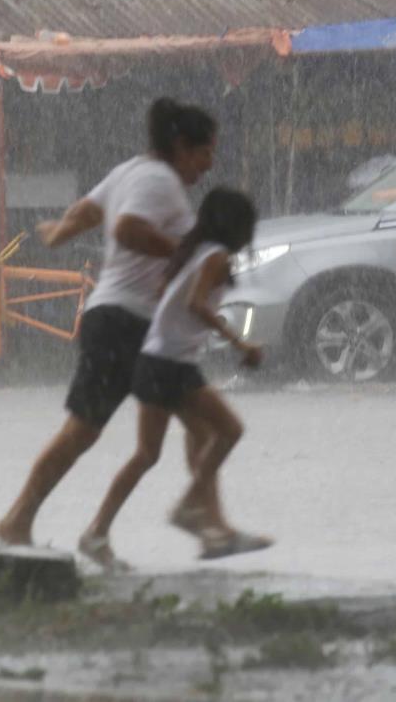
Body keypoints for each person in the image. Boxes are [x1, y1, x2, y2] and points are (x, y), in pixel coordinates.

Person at [0, 98, 229, 559]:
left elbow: (87, 209)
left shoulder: (131, 171)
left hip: (138, 328)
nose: (209, 163)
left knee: (200, 427)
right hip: (125, 324)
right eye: (205, 152)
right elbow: (125, 228)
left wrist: (61, 233)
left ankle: (202, 527)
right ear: (182, 146)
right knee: (84, 431)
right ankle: (19, 519)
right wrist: (187, 256)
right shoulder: (159, 181)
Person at [78, 187, 272, 563]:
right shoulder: (214, 257)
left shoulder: (194, 251)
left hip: (157, 359)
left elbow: (168, 292)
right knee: (229, 431)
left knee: (163, 449)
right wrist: (240, 344)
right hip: (169, 365)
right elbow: (195, 303)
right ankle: (190, 508)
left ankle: (100, 532)